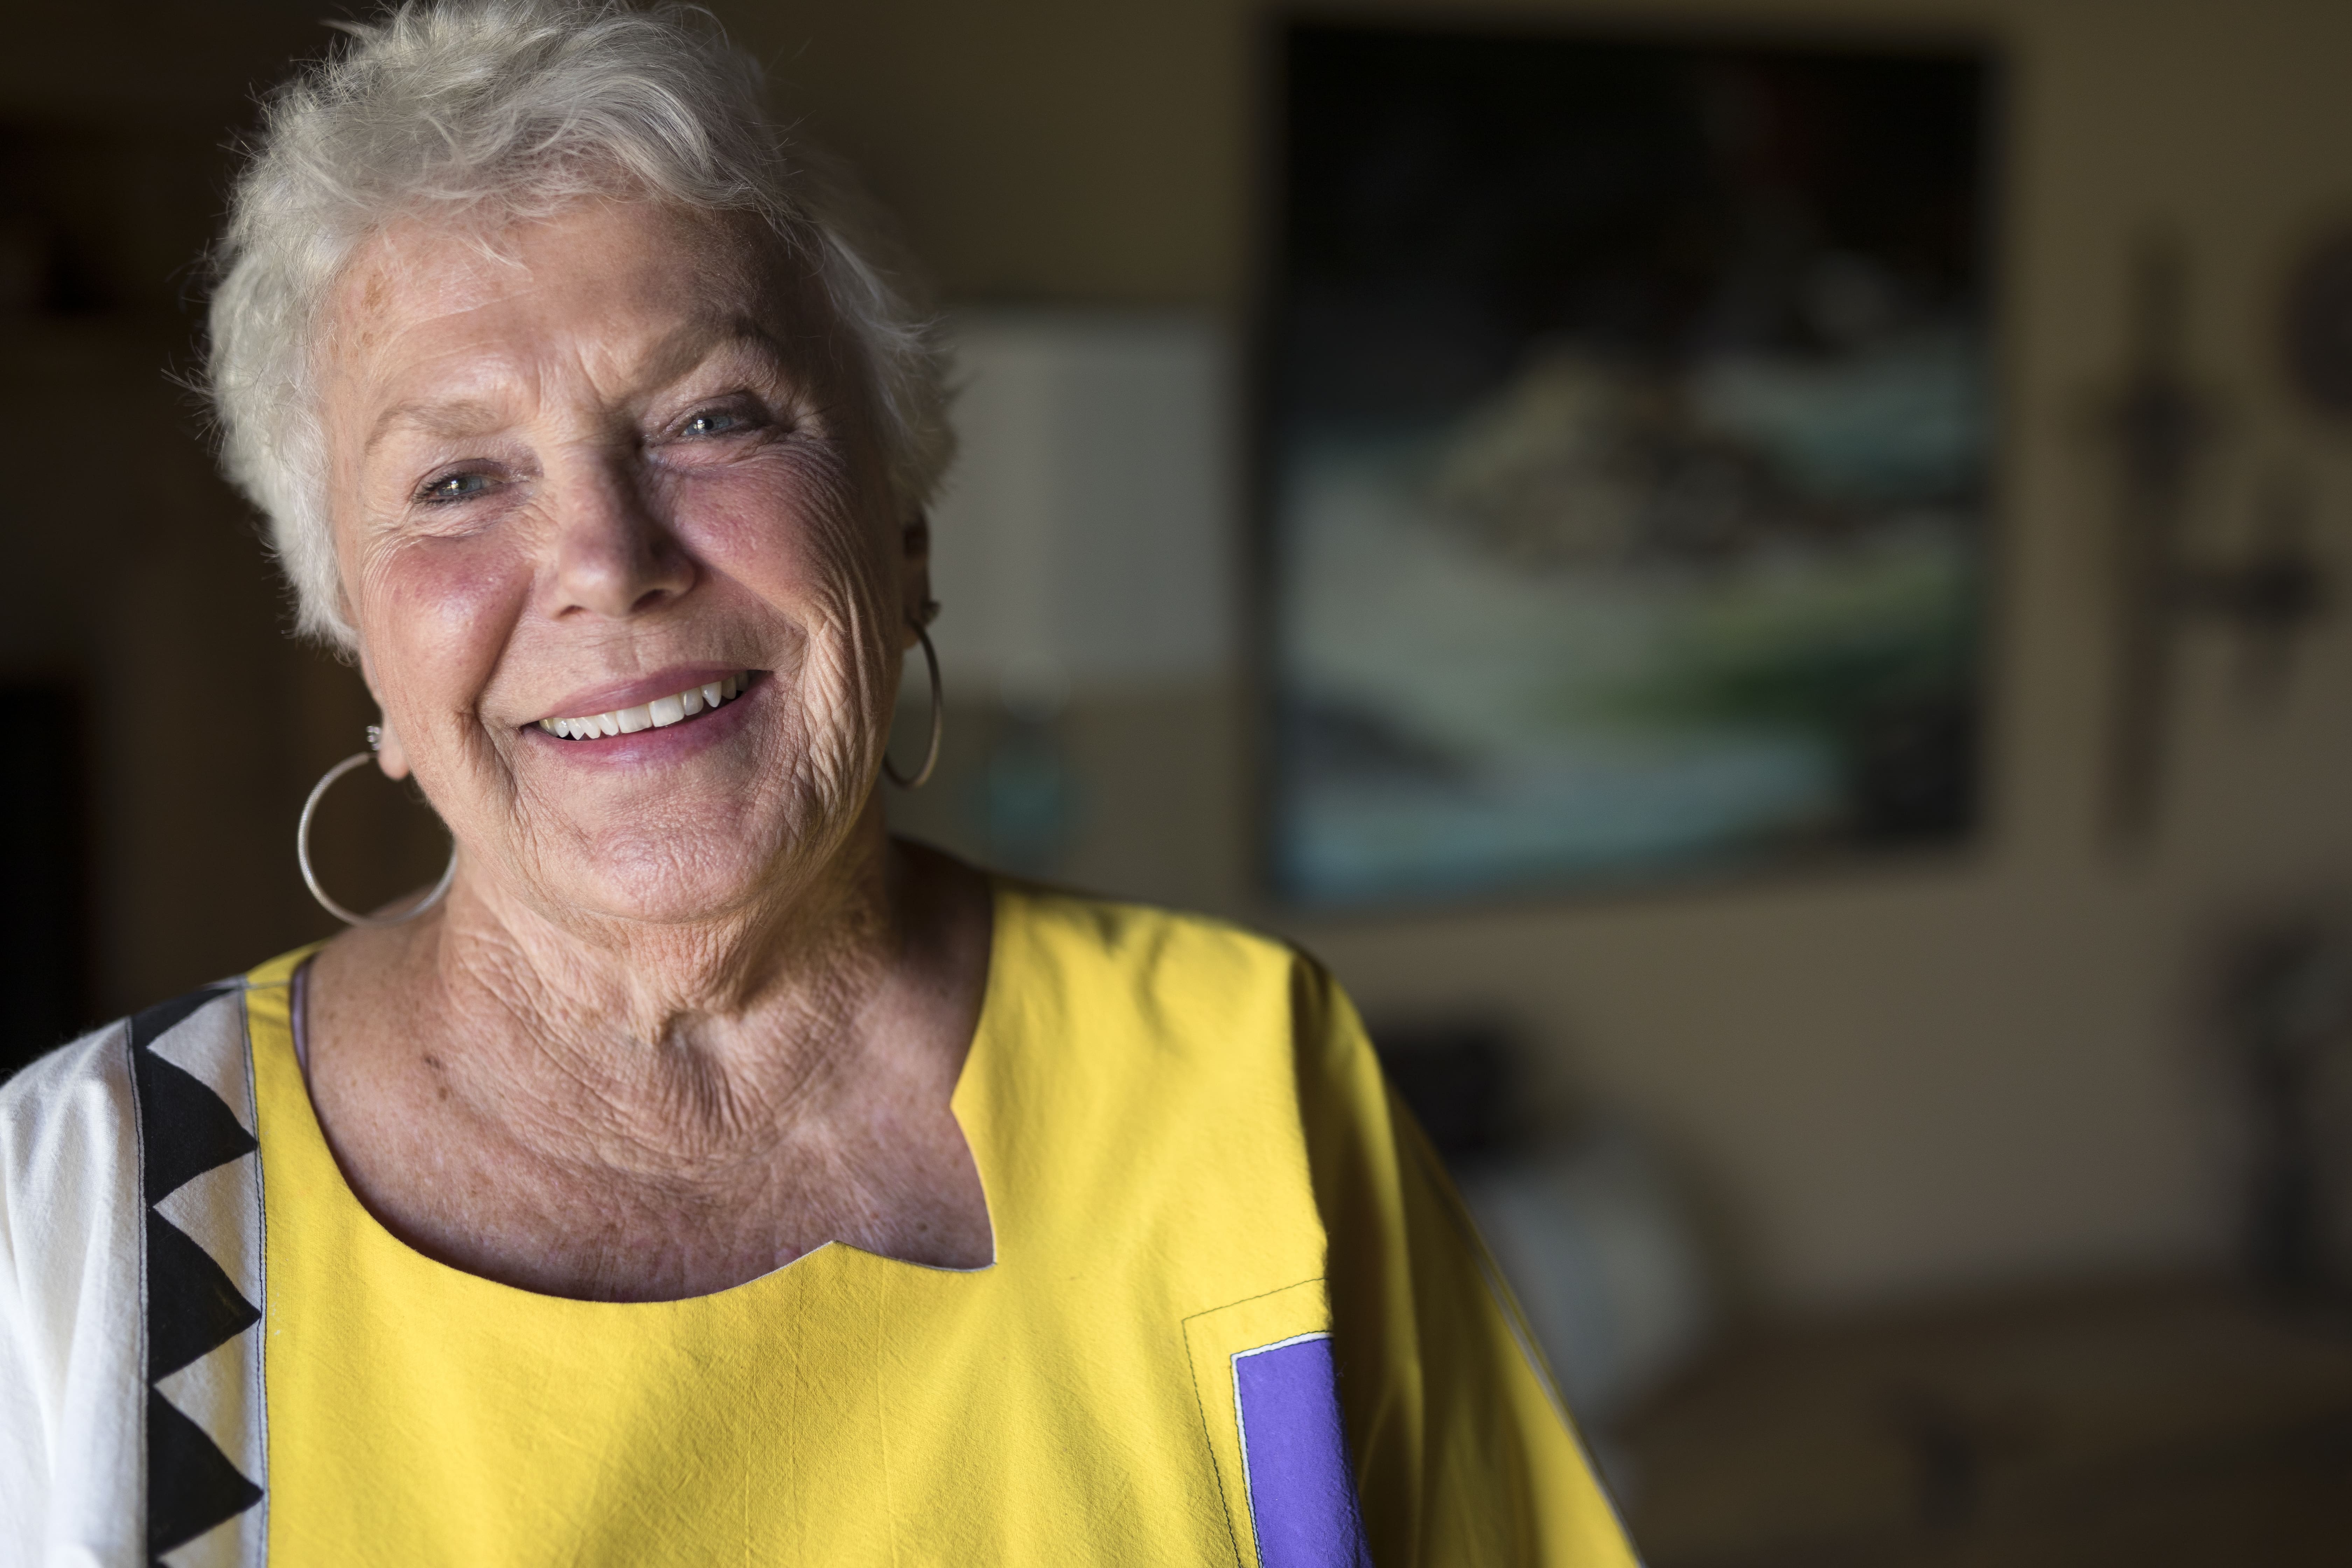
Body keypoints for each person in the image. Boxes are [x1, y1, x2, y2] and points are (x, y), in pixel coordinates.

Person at [0, 2, 1637, 1563]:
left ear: (904, 534)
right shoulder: (88, 1211)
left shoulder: (1245, 1078)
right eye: (457, 478)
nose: (605, 561)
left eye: (714, 416)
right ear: (360, 642)